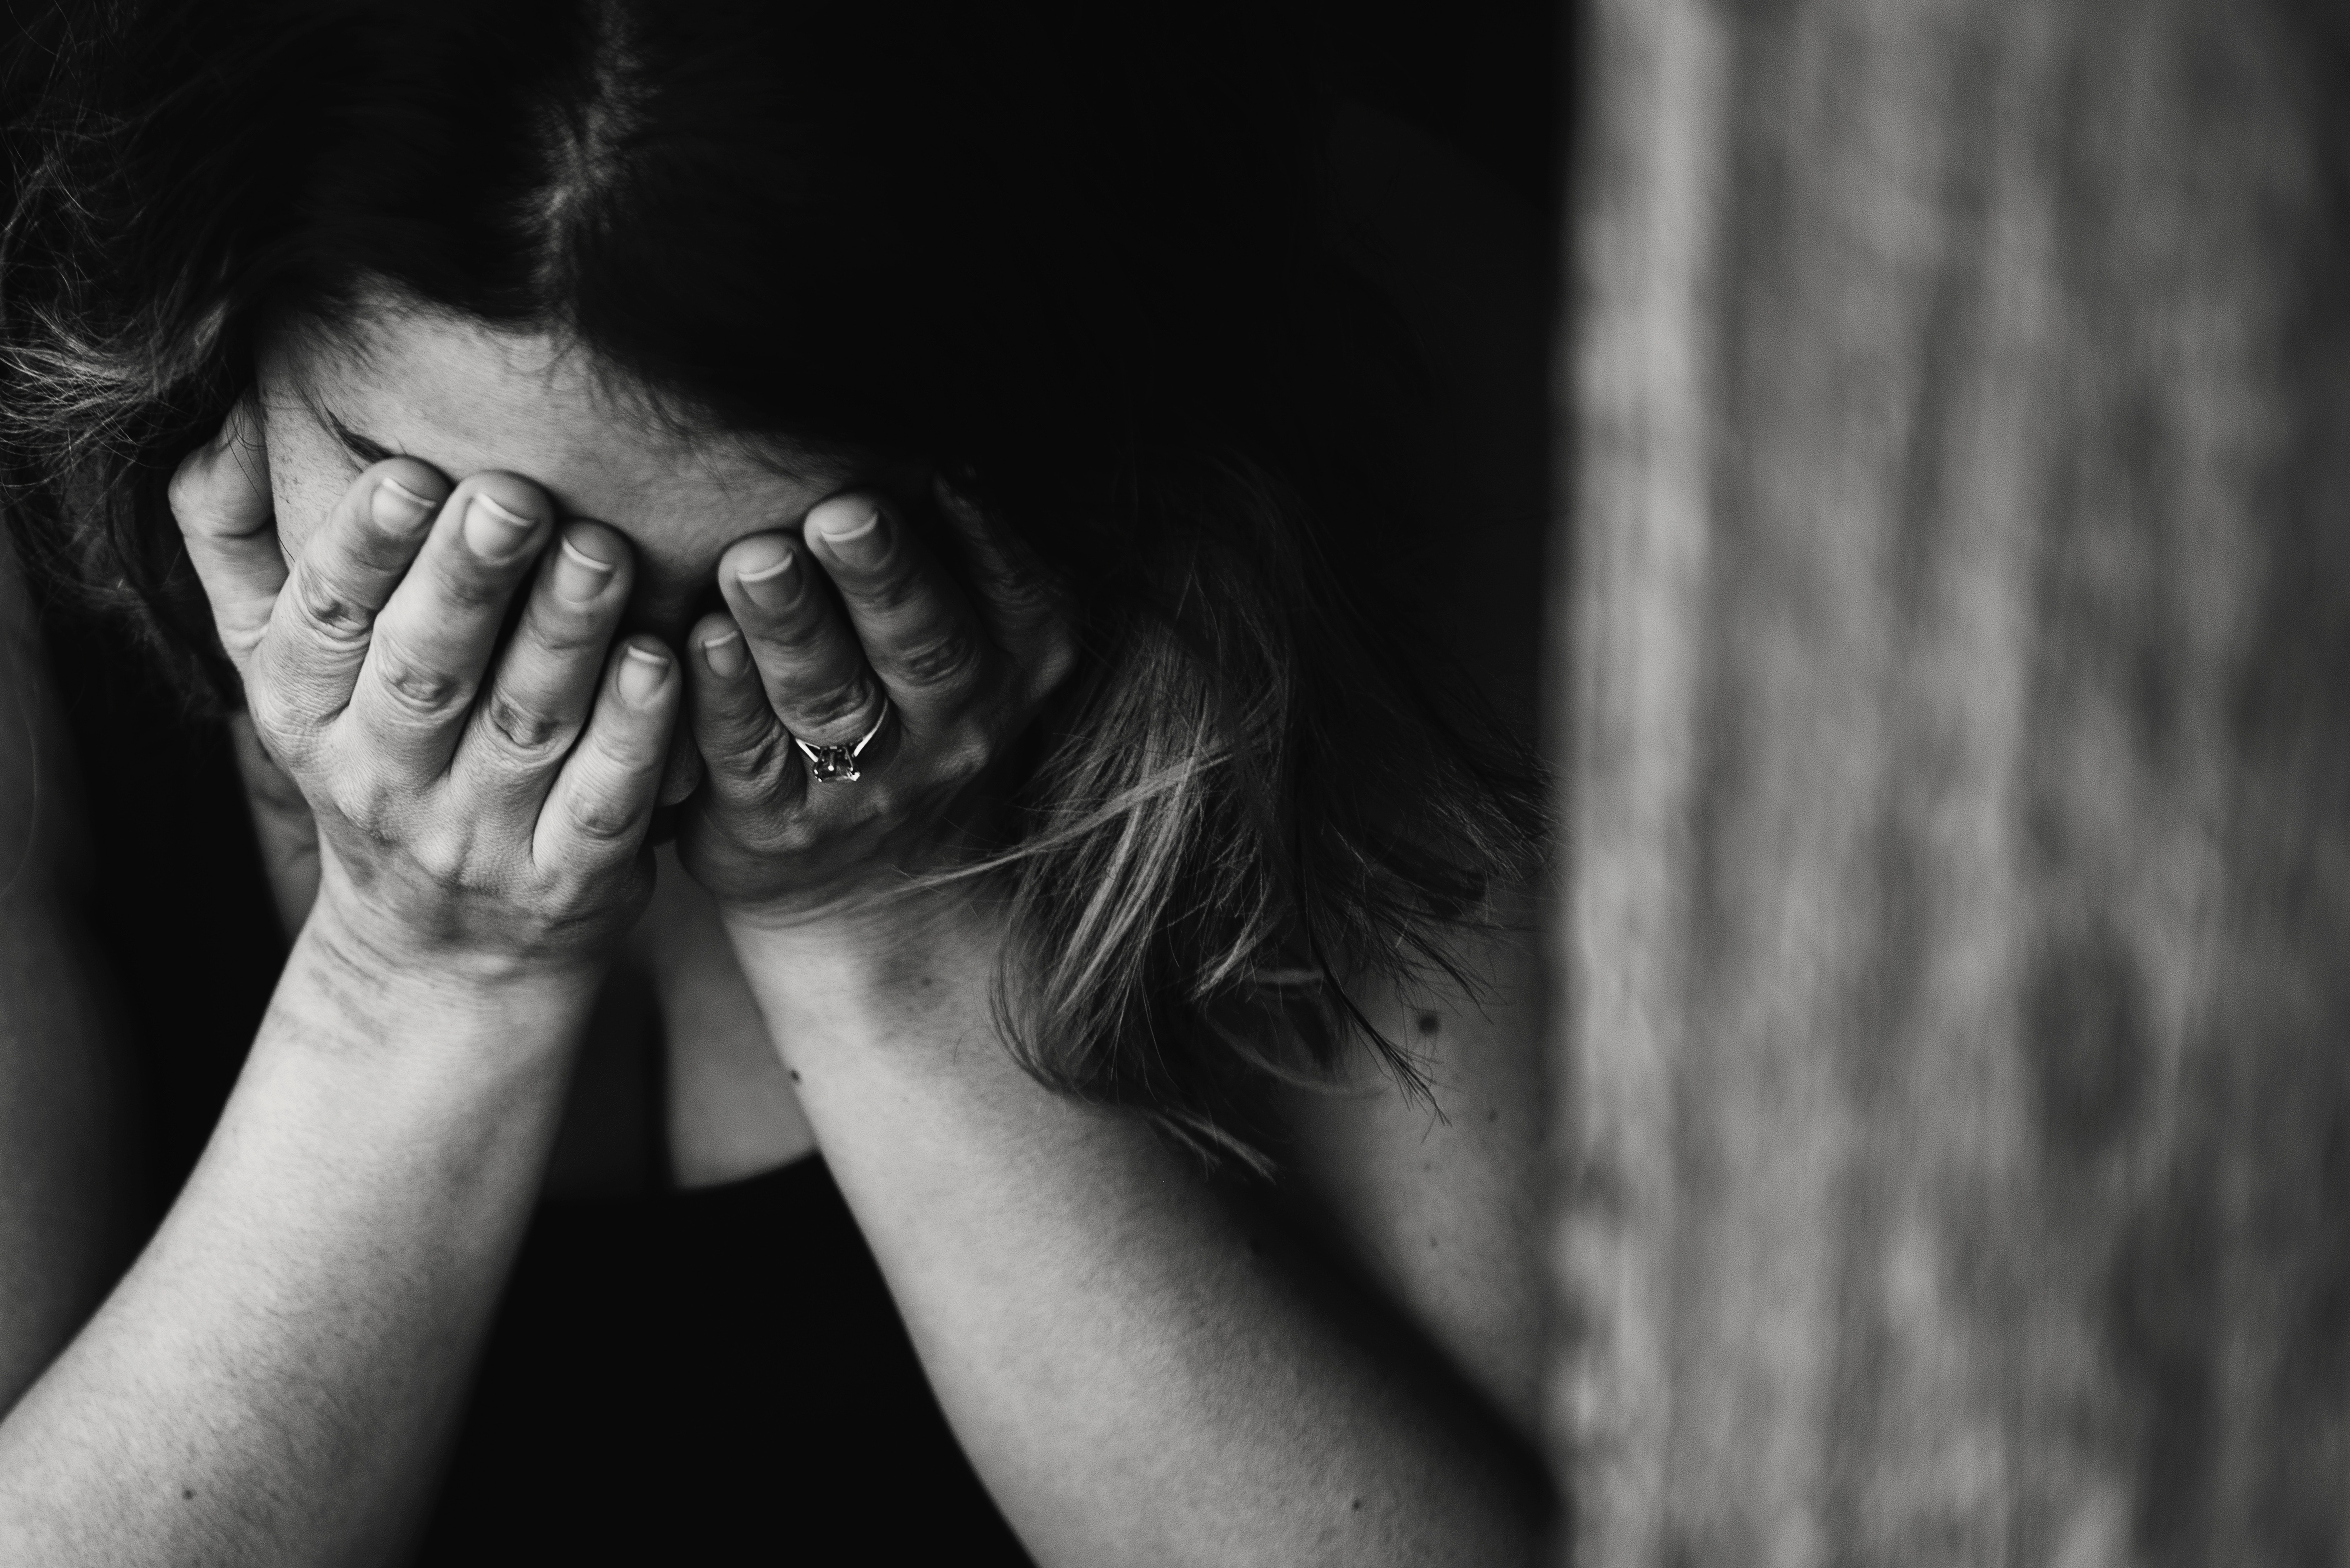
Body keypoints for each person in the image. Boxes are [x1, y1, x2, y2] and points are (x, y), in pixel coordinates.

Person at [0, 2, 1554, 1561]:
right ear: (205, 328)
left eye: (772, 582)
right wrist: (410, 976)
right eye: (453, 537)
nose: (605, 696)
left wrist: (884, 934)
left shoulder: (1384, 356)